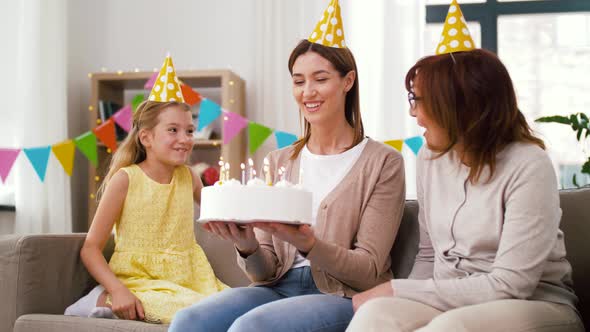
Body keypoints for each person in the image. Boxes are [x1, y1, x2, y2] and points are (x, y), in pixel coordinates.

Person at [169, 36, 406, 332]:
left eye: (320, 79)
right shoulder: (278, 161)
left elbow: (369, 272)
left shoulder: (384, 163)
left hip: (344, 295)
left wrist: (307, 242)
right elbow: (263, 274)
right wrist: (246, 245)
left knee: (250, 328)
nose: (308, 92)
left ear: (348, 81)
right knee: (188, 320)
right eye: (298, 81)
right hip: (277, 288)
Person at [347, 48, 584, 332]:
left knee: (449, 327)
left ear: (457, 106)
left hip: (536, 303)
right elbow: (428, 254)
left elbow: (512, 284)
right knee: (376, 314)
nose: (413, 113)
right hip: (451, 300)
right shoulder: (429, 157)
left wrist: (397, 290)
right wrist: (399, 296)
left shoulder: (529, 165)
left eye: (418, 100)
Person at [64, 57, 227, 324]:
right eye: (173, 130)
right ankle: (100, 298)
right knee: (191, 314)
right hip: (139, 281)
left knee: (231, 306)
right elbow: (90, 248)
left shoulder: (190, 177)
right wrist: (118, 290)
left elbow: (219, 219)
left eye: (189, 131)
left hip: (191, 279)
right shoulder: (125, 180)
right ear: (146, 137)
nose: (185, 140)